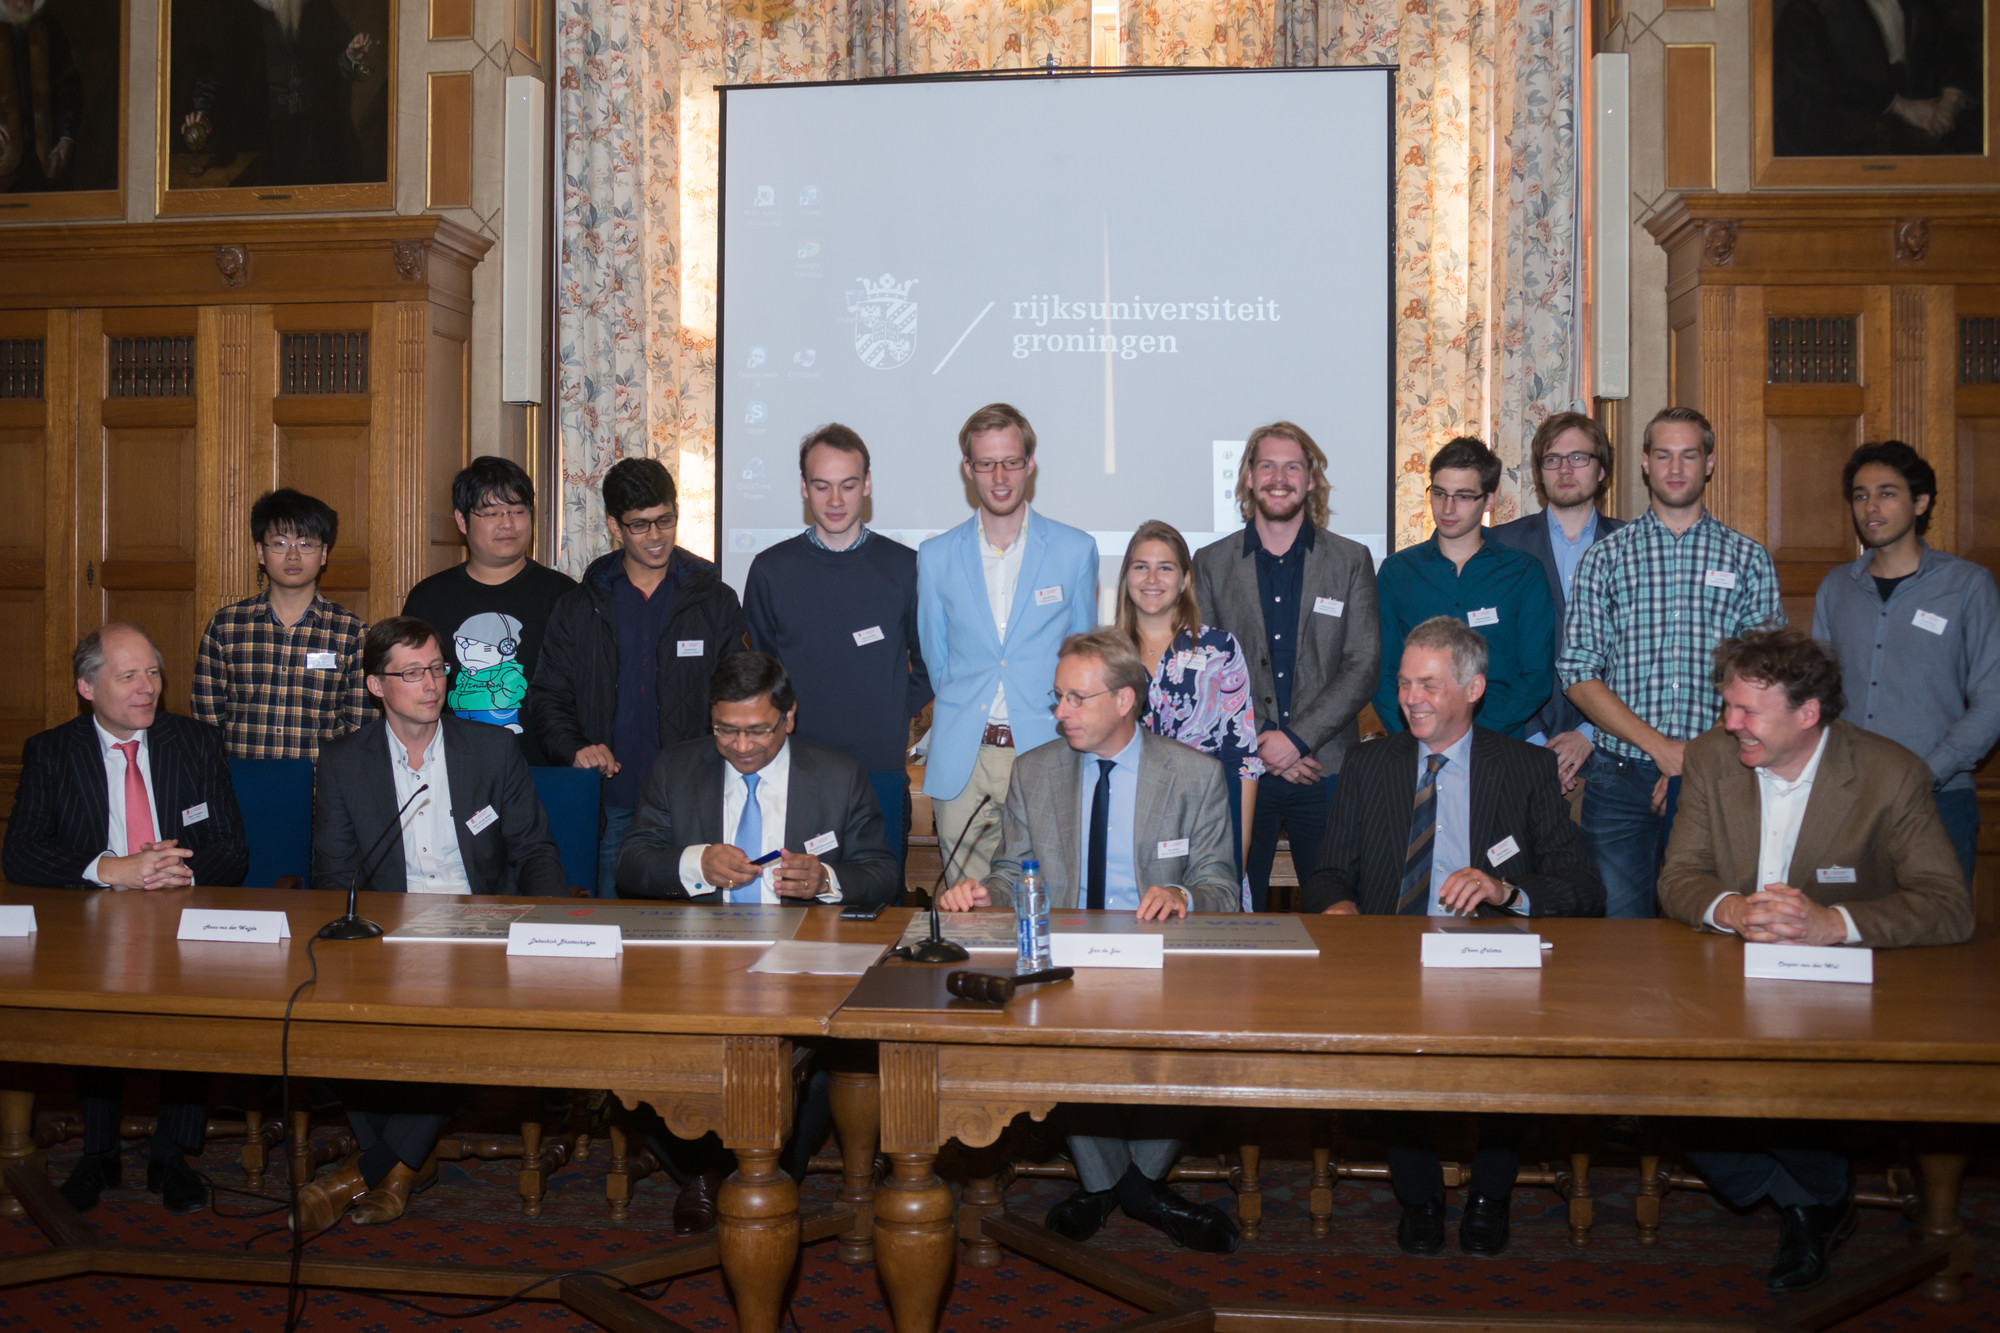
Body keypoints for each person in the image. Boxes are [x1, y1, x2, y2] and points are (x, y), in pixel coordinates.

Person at [1657, 627, 1971, 1294]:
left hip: (1844, 997)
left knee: (1790, 1085)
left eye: (1747, 711)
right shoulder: (1714, 759)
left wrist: (1835, 923)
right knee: (1658, 1086)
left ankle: (1806, 1203)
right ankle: (1819, 1196)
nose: (1728, 723)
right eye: (1727, 705)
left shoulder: (1890, 774)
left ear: (1808, 714)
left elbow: (1948, 904)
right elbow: (1678, 878)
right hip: (1725, 988)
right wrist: (1734, 909)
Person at [1303, 618, 1603, 1257]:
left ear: (1473, 689)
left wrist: (1508, 893)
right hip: (1387, 956)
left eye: (1429, 685)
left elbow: (1584, 888)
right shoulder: (1367, 764)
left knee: (1514, 1052)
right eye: (1406, 683)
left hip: (1491, 957)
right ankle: (1421, 1196)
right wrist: (1343, 914)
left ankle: (1492, 1195)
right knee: (1388, 1046)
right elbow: (1326, 873)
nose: (1411, 698)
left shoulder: (1525, 768)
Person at [939, 629, 1240, 1254]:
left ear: (1126, 700)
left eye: (1077, 699)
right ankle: (1135, 1190)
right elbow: (1010, 870)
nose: (1060, 713)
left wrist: (1185, 896)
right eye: (1057, 698)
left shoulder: (1194, 775)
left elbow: (1219, 884)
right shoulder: (1035, 771)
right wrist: (984, 894)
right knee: (1051, 1029)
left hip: (1161, 958)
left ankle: (1117, 1185)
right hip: (1066, 959)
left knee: (1192, 1035)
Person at [300, 616, 565, 1230]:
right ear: (375, 685)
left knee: (454, 1021)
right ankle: (401, 1167)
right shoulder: (343, 763)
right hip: (385, 932)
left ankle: (364, 1175)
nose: (431, 683)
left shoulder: (491, 750)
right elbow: (334, 874)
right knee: (339, 1018)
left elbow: (535, 851)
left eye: (438, 667)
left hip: (480, 927)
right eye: (412, 672)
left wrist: (548, 928)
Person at [3, 624, 249, 1217]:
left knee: (197, 1001)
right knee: (95, 998)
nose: (147, 690)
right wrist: (109, 869)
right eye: (128, 676)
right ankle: (98, 1152)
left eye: (154, 674)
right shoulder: (52, 751)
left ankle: (172, 1153)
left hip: (183, 912)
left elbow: (231, 848)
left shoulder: (195, 742)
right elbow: (20, 852)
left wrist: (180, 872)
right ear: (87, 687)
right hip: (94, 917)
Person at [1557, 407, 1783, 918]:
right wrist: (1661, 750)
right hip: (1617, 778)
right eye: (1663, 455)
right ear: (1644, 463)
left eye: (1689, 455)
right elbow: (1577, 672)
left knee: (1718, 928)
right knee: (1618, 936)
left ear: (1709, 463)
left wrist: (1694, 757)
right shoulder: (1606, 557)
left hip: (1724, 775)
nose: (1675, 468)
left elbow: (1766, 682)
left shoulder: (1748, 559)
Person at [530, 458, 748, 897]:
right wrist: (576, 748)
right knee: (617, 940)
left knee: (697, 940)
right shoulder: (579, 606)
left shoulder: (715, 600)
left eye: (664, 521)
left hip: (696, 799)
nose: (655, 537)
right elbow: (547, 697)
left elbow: (741, 694)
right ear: (614, 524)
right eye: (639, 526)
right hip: (613, 805)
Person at [1193, 421, 1379, 912]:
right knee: (1231, 907)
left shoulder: (1351, 560)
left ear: (1311, 479)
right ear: (1249, 478)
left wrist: (1295, 741)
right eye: (1267, 466)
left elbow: (1363, 664)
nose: (1280, 477)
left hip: (1325, 767)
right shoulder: (1210, 563)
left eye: (1292, 466)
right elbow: (1207, 671)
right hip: (1239, 765)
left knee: (1337, 909)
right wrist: (1263, 738)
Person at [917, 403, 1097, 887]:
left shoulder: (1075, 550)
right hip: (964, 759)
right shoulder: (935, 558)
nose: (999, 476)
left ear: (1030, 464)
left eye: (1011, 461)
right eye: (985, 463)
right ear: (967, 468)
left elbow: (1082, 661)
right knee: (968, 907)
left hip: (1044, 753)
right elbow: (938, 659)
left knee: (1048, 899)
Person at [1811, 440, 2000, 891]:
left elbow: (1992, 703)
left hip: (1937, 799)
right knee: (1846, 937)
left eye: (1887, 493)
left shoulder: (1967, 586)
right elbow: (1814, 697)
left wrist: (1926, 772)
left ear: (1920, 502)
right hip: (1849, 802)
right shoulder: (1836, 588)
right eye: (1860, 495)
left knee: (1938, 949)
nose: (1871, 507)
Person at [744, 424, 930, 870]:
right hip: (796, 771)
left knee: (880, 897)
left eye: (848, 486)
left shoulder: (905, 569)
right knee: (799, 903)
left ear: (867, 484)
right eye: (822, 486)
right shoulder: (771, 570)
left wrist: (891, 712)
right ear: (804, 488)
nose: (835, 501)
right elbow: (764, 673)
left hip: (880, 769)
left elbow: (930, 663)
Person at [614, 651, 901, 906]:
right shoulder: (676, 769)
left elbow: (883, 876)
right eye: (725, 730)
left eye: (758, 731)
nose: (741, 746)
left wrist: (825, 880)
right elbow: (630, 866)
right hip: (702, 945)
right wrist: (697, 864)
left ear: (788, 718)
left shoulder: (839, 777)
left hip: (802, 947)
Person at [1373, 437, 1554, 741]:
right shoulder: (1397, 572)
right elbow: (1381, 673)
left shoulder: (1523, 573)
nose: (1448, 507)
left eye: (1464, 496)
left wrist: (1471, 739)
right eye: (1440, 493)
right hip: (1416, 747)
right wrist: (1417, 737)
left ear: (1489, 501)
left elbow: (1535, 678)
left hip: (1499, 746)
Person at [1116, 520, 1263, 894]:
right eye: (1140, 566)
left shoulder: (1219, 650)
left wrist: (1237, 855)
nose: (1152, 578)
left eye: (1165, 567)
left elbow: (1243, 758)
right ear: (1126, 577)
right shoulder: (1106, 654)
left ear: (1184, 580)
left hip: (1202, 823)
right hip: (1124, 824)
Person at [401, 456, 577, 759]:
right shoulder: (428, 598)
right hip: (452, 769)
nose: (507, 523)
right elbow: (407, 690)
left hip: (544, 769)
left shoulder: (565, 596)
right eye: (492, 513)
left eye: (518, 511)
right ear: (461, 520)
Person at [1489, 411, 1626, 795]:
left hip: (1613, 754)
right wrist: (1535, 743)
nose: (1565, 469)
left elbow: (1642, 656)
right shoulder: (1500, 545)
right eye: (1553, 459)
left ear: (1602, 470)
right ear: (1540, 472)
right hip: (1516, 748)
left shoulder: (1633, 547)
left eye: (1579, 457)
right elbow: (1490, 652)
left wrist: (1589, 732)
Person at [191, 487, 368, 761]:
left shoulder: (351, 633)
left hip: (319, 794)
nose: (293, 556)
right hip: (240, 790)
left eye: (306, 544)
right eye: (280, 543)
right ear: (261, 552)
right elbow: (207, 723)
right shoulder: (226, 627)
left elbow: (360, 730)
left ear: (324, 554)